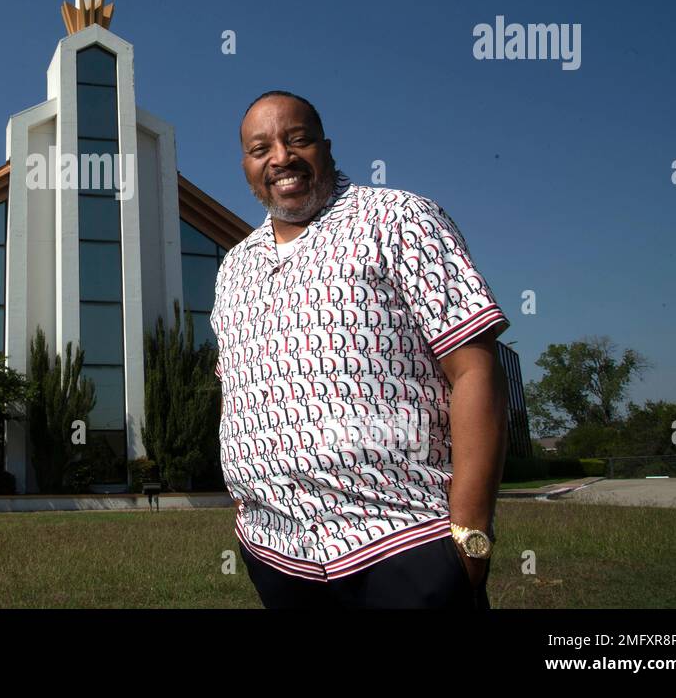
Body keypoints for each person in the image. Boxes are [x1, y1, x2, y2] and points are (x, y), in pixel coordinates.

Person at [214, 90, 510, 608]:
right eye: (261, 149)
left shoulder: (400, 220)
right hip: (277, 550)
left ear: (326, 147)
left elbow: (475, 370)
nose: (280, 157)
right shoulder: (234, 267)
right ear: (246, 167)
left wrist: (469, 533)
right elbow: (235, 391)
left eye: (297, 139)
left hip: (404, 540)